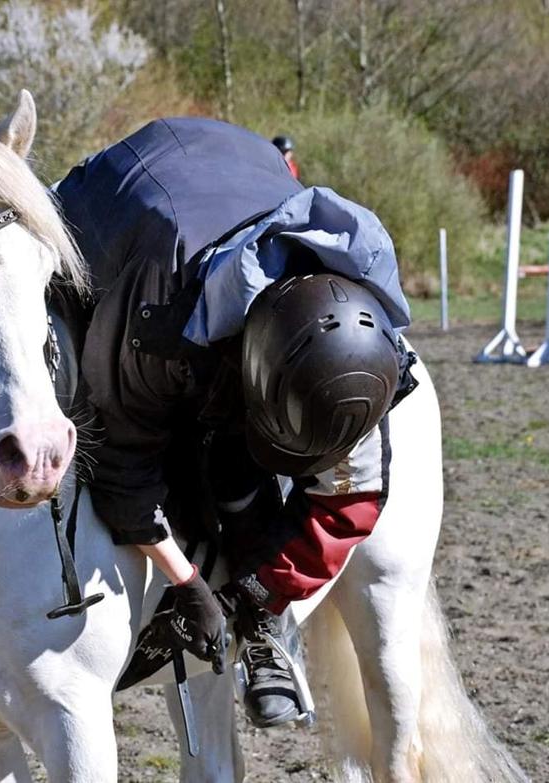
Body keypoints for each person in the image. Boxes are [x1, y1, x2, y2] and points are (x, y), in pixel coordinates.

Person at [52, 118, 417, 727]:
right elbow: (122, 463)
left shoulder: (368, 342)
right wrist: (187, 581)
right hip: (111, 218)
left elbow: (350, 501)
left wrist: (259, 597)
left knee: (238, 468)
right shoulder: (155, 314)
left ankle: (263, 634)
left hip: (237, 175)